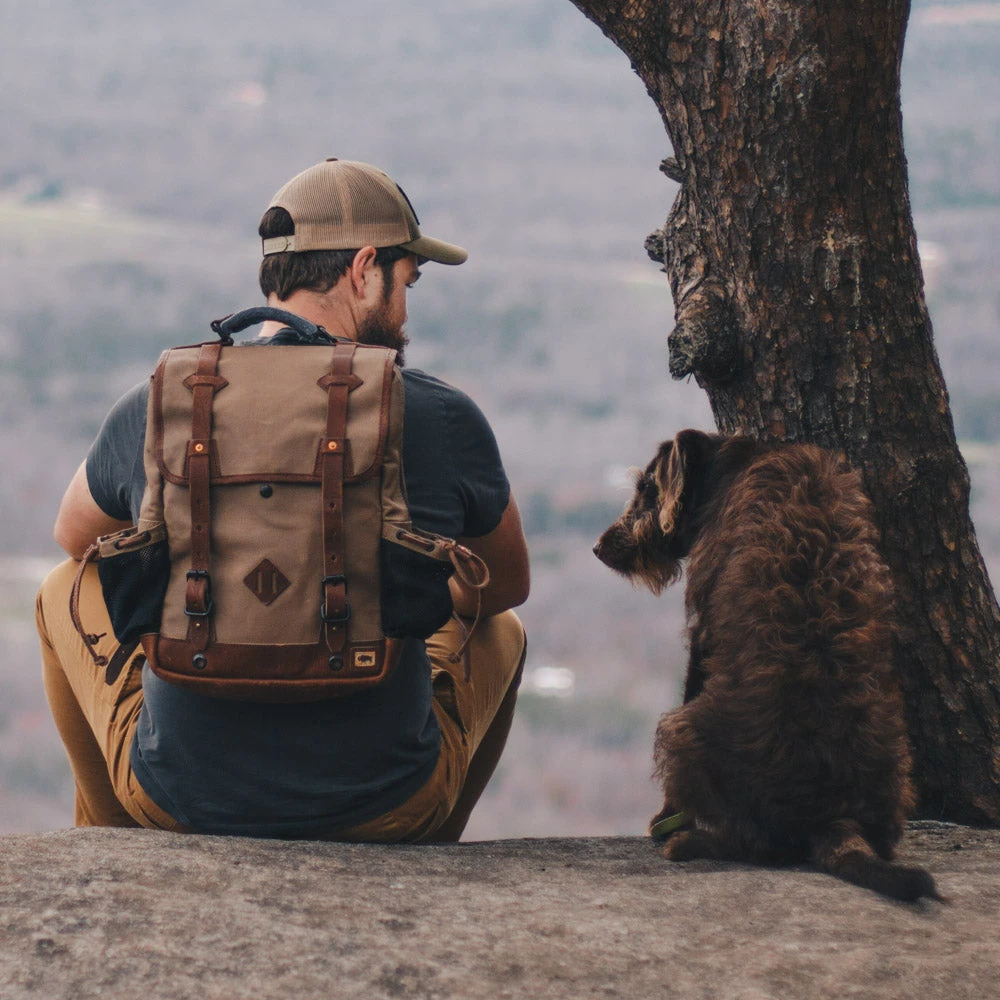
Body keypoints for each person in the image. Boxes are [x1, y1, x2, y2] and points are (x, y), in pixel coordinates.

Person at [36, 158, 530, 841]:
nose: (407, 309)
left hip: (176, 797)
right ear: (364, 269)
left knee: (62, 586)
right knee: (500, 630)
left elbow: (75, 536)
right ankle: (430, 846)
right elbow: (503, 585)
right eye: (406, 282)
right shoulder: (439, 414)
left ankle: (113, 845)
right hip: (389, 805)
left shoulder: (165, 399)